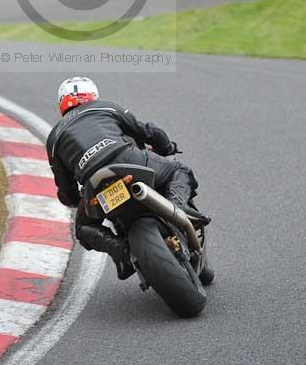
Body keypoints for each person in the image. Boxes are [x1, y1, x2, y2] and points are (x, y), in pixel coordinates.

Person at [46, 77, 210, 280]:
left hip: (94, 182)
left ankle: (121, 252)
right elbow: (147, 131)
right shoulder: (106, 107)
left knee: (83, 228)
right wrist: (166, 147)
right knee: (179, 171)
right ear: (93, 96)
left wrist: (76, 200)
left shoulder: (54, 138)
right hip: (126, 159)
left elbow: (65, 188)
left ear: (62, 103)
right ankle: (179, 207)